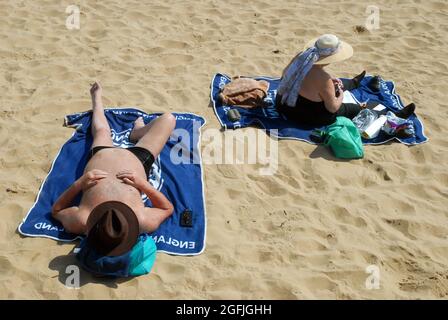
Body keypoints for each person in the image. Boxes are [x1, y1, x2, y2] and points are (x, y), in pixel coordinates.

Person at [52, 82, 175, 256]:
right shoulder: (141, 220)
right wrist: (142, 184)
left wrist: (80, 183)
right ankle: (137, 132)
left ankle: (97, 100)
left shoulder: (82, 221)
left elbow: (56, 210)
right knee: (168, 119)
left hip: (101, 157)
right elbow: (167, 208)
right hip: (137, 161)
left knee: (102, 131)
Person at [276, 34, 416, 126]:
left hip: (283, 104)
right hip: (308, 116)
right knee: (353, 107)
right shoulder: (323, 79)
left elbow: (285, 77)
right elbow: (332, 108)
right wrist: (340, 95)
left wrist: (329, 84)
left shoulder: (301, 58)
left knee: (336, 83)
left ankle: (354, 82)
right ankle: (392, 115)